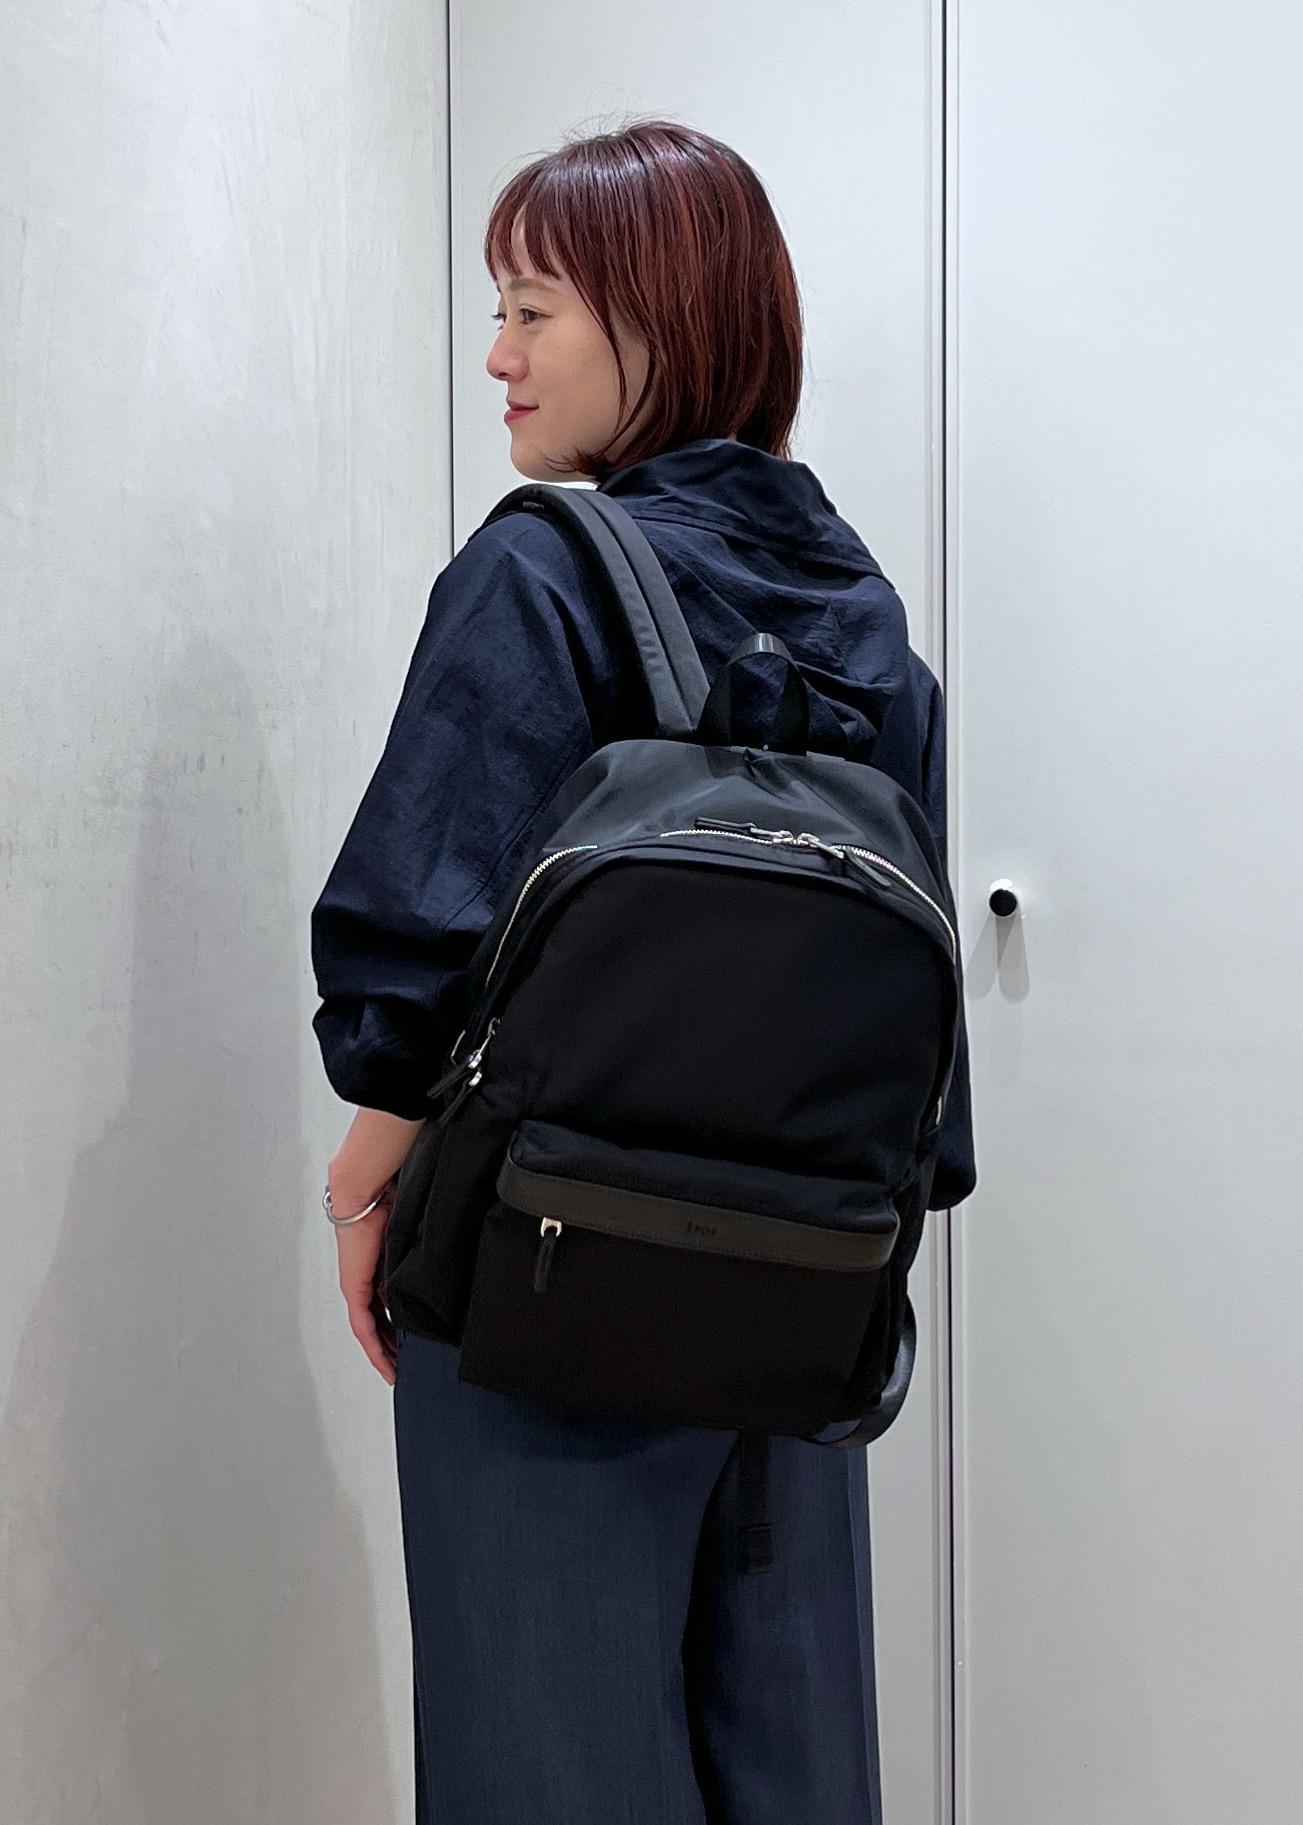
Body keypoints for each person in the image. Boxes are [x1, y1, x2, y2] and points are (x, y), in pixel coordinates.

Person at [310, 118, 975, 1825]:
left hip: (545, 1287)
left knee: (549, 1762)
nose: (499, 355)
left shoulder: (538, 571)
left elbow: (429, 914)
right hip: (804, 1292)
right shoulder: (865, 619)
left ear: (661, 322)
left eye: (533, 310)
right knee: (788, 1759)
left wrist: (363, 1182)